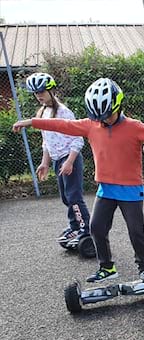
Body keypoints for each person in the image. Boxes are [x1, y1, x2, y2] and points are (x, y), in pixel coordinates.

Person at [13, 78, 144, 283]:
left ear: (118, 105)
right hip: (106, 189)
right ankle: (106, 267)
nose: (104, 120)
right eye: (99, 116)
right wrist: (32, 122)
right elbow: (63, 125)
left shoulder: (133, 126)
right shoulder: (91, 125)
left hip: (130, 189)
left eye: (107, 115)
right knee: (96, 227)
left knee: (136, 231)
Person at [26, 72, 91, 246]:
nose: (39, 95)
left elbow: (78, 139)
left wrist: (69, 161)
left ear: (51, 90)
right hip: (57, 160)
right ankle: (75, 226)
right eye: (36, 93)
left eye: (42, 91)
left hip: (70, 158)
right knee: (66, 197)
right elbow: (47, 142)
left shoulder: (63, 112)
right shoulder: (42, 112)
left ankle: (86, 229)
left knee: (74, 196)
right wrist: (45, 162)